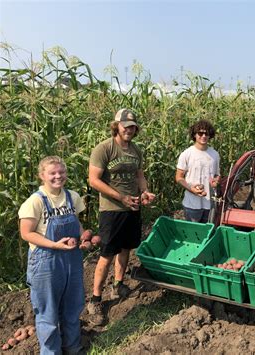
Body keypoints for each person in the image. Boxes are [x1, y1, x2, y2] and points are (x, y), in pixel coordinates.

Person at [87, 108, 155, 326]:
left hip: (132, 208)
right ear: (116, 126)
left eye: (133, 126)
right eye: (125, 126)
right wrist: (121, 197)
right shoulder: (104, 149)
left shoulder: (135, 150)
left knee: (126, 249)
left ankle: (118, 285)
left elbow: (139, 175)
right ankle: (96, 299)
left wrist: (144, 192)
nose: (129, 130)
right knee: (107, 254)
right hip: (112, 210)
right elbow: (94, 180)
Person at [19, 156, 86, 354]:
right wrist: (54, 245)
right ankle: (51, 352)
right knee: (48, 314)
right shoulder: (35, 201)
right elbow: (26, 233)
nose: (58, 176)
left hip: (71, 259)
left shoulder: (72, 196)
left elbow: (77, 223)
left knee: (73, 306)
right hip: (46, 262)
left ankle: (73, 347)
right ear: (42, 176)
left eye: (61, 172)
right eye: (52, 173)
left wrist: (84, 237)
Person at [175, 119, 220, 223]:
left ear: (210, 135)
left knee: (207, 233)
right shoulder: (187, 154)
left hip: (210, 204)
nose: (203, 136)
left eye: (206, 133)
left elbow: (217, 174)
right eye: (200, 133)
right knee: (193, 233)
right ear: (194, 135)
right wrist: (191, 188)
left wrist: (216, 181)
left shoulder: (215, 154)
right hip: (191, 204)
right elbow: (179, 177)